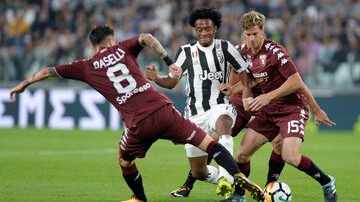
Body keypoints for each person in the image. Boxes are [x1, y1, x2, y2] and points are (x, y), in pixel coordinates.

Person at [9, 25, 264, 202]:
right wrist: (168, 61)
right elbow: (146, 37)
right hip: (164, 109)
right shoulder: (123, 47)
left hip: (138, 123)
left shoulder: (85, 66)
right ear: (111, 39)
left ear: (94, 45)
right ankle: (237, 176)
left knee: (124, 160)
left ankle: (139, 197)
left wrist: (24, 84)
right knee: (209, 143)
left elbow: (47, 71)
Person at [220, 10, 338, 202]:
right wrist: (232, 89)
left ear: (263, 31)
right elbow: (250, 80)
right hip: (269, 109)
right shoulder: (242, 51)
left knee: (290, 156)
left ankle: (327, 182)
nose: (252, 39)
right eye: (248, 34)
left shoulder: (275, 51)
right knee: (241, 154)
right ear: (243, 33)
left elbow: (296, 81)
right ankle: (239, 196)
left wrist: (314, 108)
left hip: (292, 107)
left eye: (255, 34)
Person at [145, 7, 254, 199]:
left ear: (215, 29)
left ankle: (227, 179)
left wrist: (245, 92)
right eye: (199, 29)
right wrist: (156, 78)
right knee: (199, 172)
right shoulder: (185, 52)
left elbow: (244, 69)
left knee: (224, 124)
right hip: (194, 115)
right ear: (195, 30)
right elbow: (172, 82)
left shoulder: (226, 48)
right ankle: (223, 177)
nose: (203, 32)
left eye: (207, 28)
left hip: (220, 105)